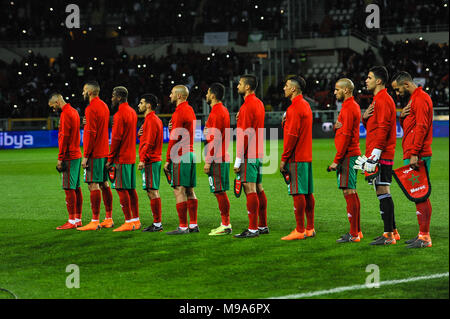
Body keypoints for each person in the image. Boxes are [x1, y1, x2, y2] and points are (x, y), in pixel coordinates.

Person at [355, 66, 399, 245]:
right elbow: (375, 126)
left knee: (383, 190)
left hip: (381, 153)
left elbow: (383, 128)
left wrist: (376, 154)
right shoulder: (378, 100)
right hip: (379, 152)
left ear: (379, 81)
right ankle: (393, 231)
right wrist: (364, 118)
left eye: (369, 77)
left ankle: (388, 234)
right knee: (382, 190)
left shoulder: (382, 100)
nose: (366, 80)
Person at [391, 71, 433, 248]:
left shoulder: (420, 98)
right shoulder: (415, 99)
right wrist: (402, 118)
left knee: (420, 193)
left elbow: (422, 126)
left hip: (418, 153)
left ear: (406, 84)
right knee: (418, 194)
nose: (397, 93)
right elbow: (411, 127)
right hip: (413, 152)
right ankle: (422, 234)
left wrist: (415, 152)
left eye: (397, 89)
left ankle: (425, 236)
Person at [279, 76, 316, 240]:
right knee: (307, 192)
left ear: (293, 88)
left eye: (286, 86)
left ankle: (299, 230)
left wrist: (284, 158)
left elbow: (292, 135)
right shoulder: (306, 105)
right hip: (306, 155)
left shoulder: (294, 108)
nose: (284, 88)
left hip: (296, 156)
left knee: (297, 192)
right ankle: (309, 228)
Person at [328, 78, 362, 243]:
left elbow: (347, 135)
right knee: (351, 191)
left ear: (346, 90)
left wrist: (336, 160)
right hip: (350, 154)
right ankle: (357, 231)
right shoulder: (351, 107)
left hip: (348, 155)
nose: (335, 92)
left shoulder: (349, 108)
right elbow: (344, 131)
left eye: (337, 89)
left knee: (349, 191)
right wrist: (336, 127)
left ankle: (354, 233)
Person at [233, 74, 268, 238]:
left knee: (249, 188)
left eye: (240, 84)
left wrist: (238, 160)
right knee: (259, 188)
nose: (237, 86)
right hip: (258, 151)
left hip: (249, 153)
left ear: (247, 87)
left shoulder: (247, 106)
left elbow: (244, 135)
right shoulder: (259, 103)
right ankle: (262, 225)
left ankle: (253, 228)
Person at [77, 81, 114, 231]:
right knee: (104, 184)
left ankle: (94, 221)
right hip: (104, 151)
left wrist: (86, 155)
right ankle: (109, 218)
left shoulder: (91, 108)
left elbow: (92, 133)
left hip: (95, 153)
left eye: (84, 90)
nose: (83, 93)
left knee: (93, 185)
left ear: (90, 92)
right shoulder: (104, 106)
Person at [164, 85, 198, 235]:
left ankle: (183, 226)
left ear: (179, 96)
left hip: (180, 154)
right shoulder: (190, 110)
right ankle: (193, 225)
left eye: (171, 93)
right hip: (190, 153)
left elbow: (175, 137)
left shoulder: (179, 111)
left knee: (179, 190)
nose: (170, 95)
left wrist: (168, 159)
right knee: (190, 190)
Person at [105, 86, 140, 232]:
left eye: (113, 96)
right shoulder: (132, 112)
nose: (112, 98)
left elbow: (117, 139)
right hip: (131, 156)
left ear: (119, 97)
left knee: (120, 188)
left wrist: (110, 158)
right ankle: (136, 220)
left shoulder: (119, 115)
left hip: (121, 157)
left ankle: (128, 222)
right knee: (131, 189)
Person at [49, 93, 83, 229]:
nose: (53, 110)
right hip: (77, 154)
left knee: (69, 188)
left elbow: (64, 137)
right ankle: (78, 219)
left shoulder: (65, 114)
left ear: (57, 102)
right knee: (76, 188)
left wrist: (60, 158)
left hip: (69, 155)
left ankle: (72, 221)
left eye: (53, 106)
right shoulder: (74, 111)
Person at [203, 83, 232, 236]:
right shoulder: (221, 110)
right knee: (219, 191)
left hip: (217, 158)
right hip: (220, 156)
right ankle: (224, 223)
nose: (206, 95)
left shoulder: (217, 112)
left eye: (208, 92)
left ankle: (226, 224)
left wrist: (208, 160)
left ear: (213, 95)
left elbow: (214, 138)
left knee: (219, 191)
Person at [137, 94, 164, 232]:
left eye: (141, 102)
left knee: (152, 191)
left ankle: (157, 224)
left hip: (150, 160)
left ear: (148, 105)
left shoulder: (151, 120)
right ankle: (157, 223)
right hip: (153, 159)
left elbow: (149, 142)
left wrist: (142, 159)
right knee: (152, 190)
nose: (139, 105)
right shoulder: (152, 120)